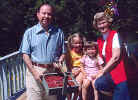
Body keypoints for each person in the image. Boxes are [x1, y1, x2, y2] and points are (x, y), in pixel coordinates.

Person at [19, 3, 66, 100]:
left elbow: (63, 52)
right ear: (38, 14)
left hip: (53, 72)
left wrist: (60, 61)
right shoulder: (29, 33)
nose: (46, 16)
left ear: (52, 16)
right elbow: (25, 55)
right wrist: (35, 73)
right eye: (43, 13)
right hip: (35, 72)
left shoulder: (59, 32)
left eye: (49, 14)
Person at [92, 12, 131, 100]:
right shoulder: (100, 40)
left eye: (104, 23)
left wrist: (102, 72)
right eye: (99, 24)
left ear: (108, 23)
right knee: (98, 83)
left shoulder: (115, 35)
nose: (102, 26)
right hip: (110, 74)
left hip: (120, 74)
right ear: (96, 26)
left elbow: (116, 57)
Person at [65, 33, 86, 100]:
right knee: (68, 85)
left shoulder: (84, 53)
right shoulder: (69, 53)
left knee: (78, 86)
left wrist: (79, 70)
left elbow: (85, 64)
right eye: (76, 43)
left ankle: (75, 98)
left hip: (81, 70)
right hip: (72, 69)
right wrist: (71, 71)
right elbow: (68, 64)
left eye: (80, 43)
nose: (78, 45)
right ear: (72, 44)